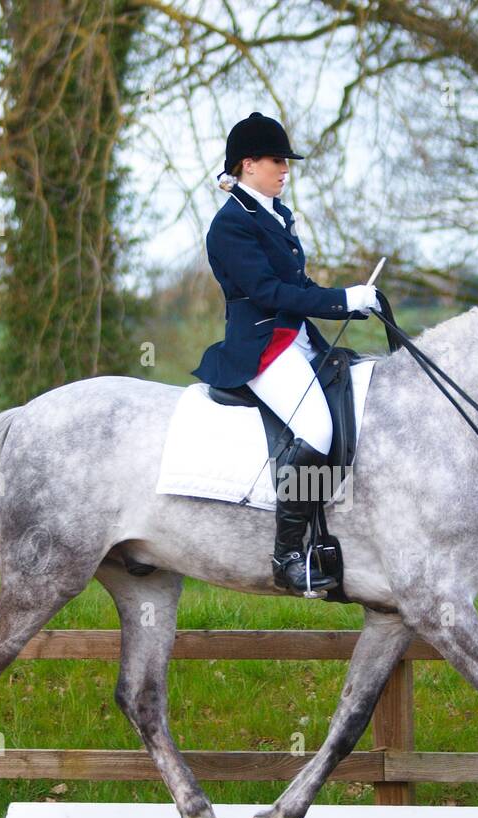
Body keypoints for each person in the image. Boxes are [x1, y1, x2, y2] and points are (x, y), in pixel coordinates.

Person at [191, 111, 380, 597]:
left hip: (298, 339)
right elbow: (269, 292)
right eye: (277, 161)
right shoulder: (231, 224)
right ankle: (288, 553)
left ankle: (328, 538)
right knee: (316, 427)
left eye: (286, 162)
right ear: (248, 164)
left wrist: (353, 302)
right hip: (260, 347)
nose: (285, 169)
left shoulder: (275, 215)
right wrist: (340, 301)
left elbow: (300, 288)